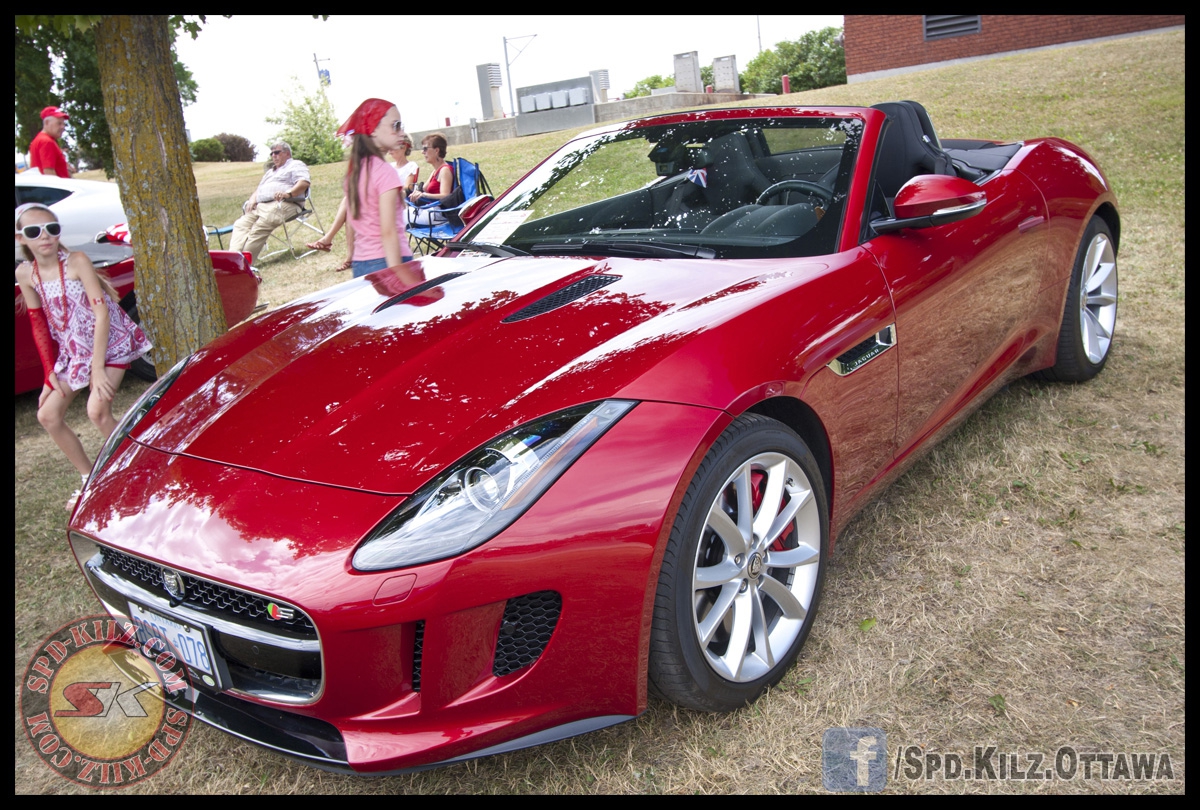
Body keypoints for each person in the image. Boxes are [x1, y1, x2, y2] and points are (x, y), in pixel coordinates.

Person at [14, 203, 152, 509]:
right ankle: (89, 480)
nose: (45, 236)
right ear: (21, 238)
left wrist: (98, 369)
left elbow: (102, 314)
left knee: (97, 412)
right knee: (47, 415)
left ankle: (139, 467)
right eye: (35, 231)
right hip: (74, 351)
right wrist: (49, 373)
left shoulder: (76, 261)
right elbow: (38, 324)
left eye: (52, 229)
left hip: (110, 342)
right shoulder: (25, 273)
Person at [305, 134, 419, 272]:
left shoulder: (410, 166)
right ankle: (348, 255)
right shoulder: (388, 166)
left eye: (394, 147)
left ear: (404, 147)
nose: (390, 150)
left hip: (396, 203)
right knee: (351, 207)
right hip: (378, 201)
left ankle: (330, 240)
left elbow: (406, 189)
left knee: (350, 203)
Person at [336, 99, 414, 278]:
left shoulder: (355, 172)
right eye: (396, 125)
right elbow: (388, 232)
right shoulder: (385, 172)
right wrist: (399, 277)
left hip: (361, 263)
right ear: (373, 129)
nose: (402, 132)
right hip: (388, 262)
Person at [229, 141, 311, 264]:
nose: (273, 156)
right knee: (240, 224)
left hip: (286, 203)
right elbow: (259, 189)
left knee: (259, 228)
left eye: (277, 152)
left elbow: (304, 183)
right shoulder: (270, 172)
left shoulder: (295, 165)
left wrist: (288, 193)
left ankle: (243, 265)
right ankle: (232, 261)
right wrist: (252, 199)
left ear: (287, 153)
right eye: (271, 153)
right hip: (261, 206)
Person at [407, 133, 456, 227]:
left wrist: (423, 195)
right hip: (429, 210)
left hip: (437, 213)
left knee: (398, 215)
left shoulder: (445, 170)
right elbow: (424, 189)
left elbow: (446, 196)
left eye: (425, 149)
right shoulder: (436, 170)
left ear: (436, 150)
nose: (422, 152)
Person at [29, 106, 72, 178]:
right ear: (47, 122)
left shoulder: (39, 139)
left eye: (63, 124)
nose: (63, 127)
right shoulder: (46, 142)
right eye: (59, 123)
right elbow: (49, 174)